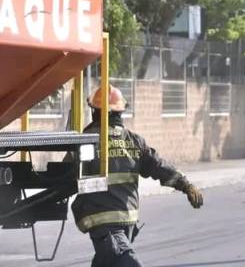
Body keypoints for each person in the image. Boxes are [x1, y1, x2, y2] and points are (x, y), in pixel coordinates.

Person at [72, 85, 203, 266]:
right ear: (120, 112)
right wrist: (186, 184)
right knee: (123, 260)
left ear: (94, 111)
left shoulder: (84, 142)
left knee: (111, 260)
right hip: (122, 224)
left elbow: (65, 176)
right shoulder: (134, 141)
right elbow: (159, 167)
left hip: (102, 223)